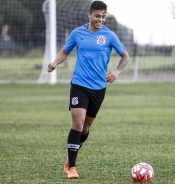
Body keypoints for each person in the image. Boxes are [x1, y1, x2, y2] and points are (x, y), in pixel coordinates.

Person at [47, 0, 129, 179]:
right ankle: (73, 168)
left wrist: (116, 71)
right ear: (89, 15)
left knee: (85, 128)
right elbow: (65, 52)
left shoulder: (109, 35)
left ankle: (70, 158)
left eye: (103, 16)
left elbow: (125, 56)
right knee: (77, 122)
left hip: (99, 88)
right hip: (79, 85)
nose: (101, 19)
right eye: (98, 16)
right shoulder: (78, 33)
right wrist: (54, 63)